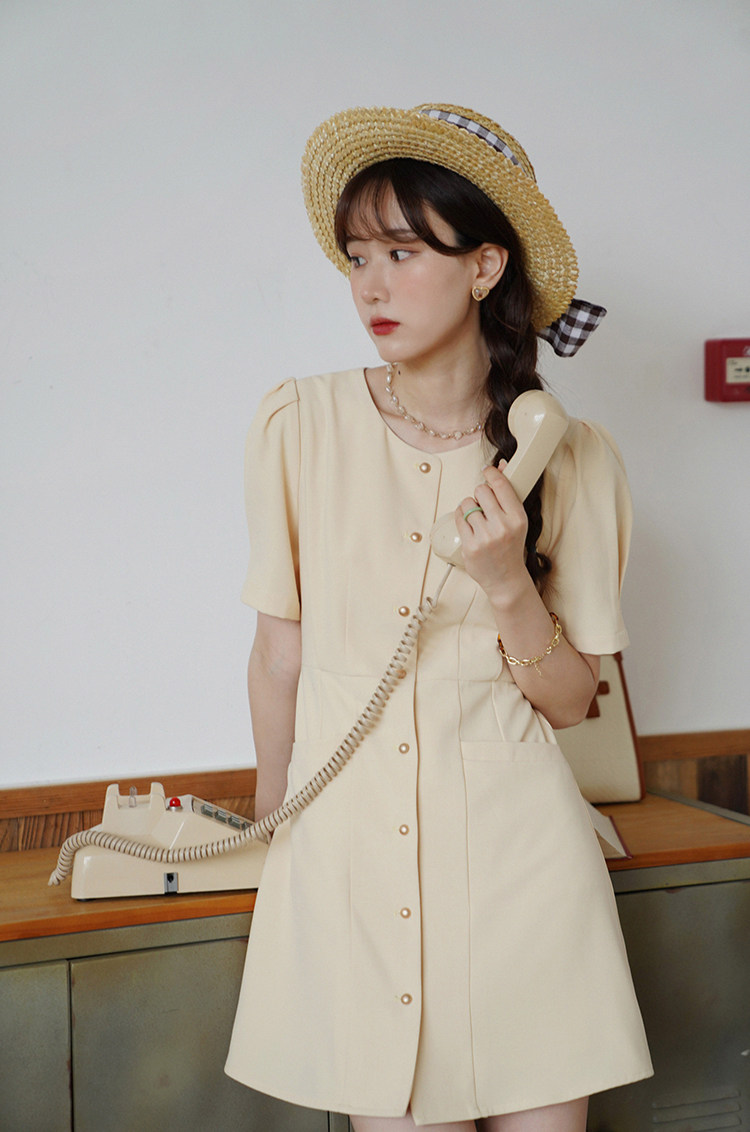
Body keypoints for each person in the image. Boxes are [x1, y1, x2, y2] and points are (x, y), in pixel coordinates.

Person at [225, 103, 652, 1131]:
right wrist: (276, 839)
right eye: (358, 256)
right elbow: (278, 658)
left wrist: (508, 582)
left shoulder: (571, 456)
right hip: (350, 870)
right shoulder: (300, 423)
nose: (370, 284)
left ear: (485, 267)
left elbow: (572, 701)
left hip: (523, 873)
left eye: (403, 251)